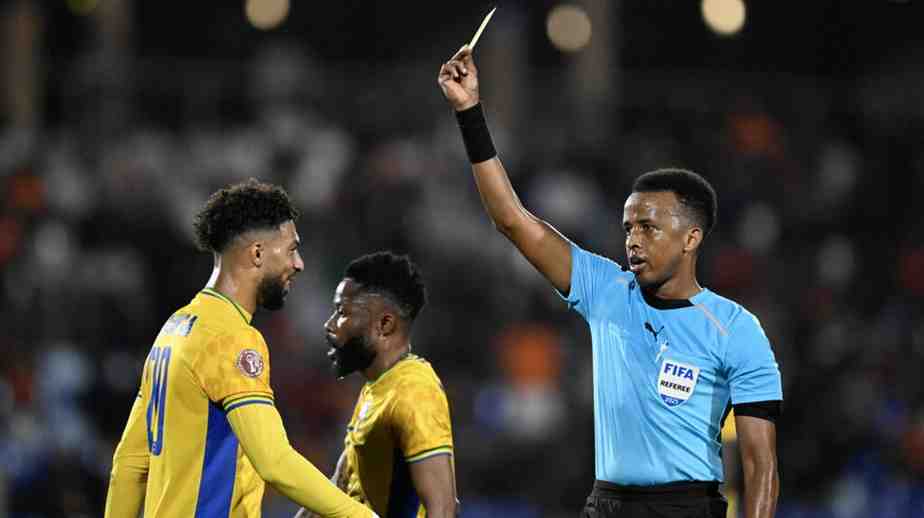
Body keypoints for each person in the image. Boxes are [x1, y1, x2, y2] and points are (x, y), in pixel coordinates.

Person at [438, 47, 782, 518]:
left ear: (691, 238)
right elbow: (512, 220)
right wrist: (469, 114)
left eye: (649, 227)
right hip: (607, 504)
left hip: (687, 508)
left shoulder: (736, 328)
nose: (633, 241)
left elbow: (761, 466)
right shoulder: (606, 290)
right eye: (628, 228)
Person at [105, 179, 375, 518]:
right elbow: (274, 461)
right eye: (291, 249)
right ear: (258, 253)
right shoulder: (230, 338)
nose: (299, 264)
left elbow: (128, 465)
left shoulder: (174, 330)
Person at [296, 251, 458, 518]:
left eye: (341, 312)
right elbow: (338, 488)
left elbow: (442, 508)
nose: (329, 325)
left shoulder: (415, 390)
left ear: (384, 324)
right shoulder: (377, 388)